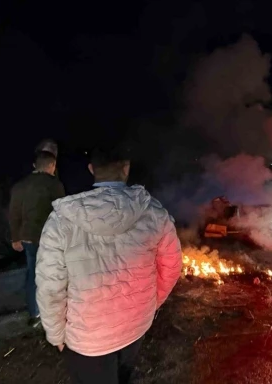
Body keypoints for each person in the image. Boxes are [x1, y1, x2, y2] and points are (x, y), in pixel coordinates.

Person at [35, 142, 182, 384]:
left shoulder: (62, 221)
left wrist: (55, 333)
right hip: (136, 326)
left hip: (89, 340)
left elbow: (51, 287)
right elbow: (172, 266)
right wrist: (153, 303)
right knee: (124, 376)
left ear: (92, 169)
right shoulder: (155, 213)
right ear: (126, 168)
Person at [9, 150, 65, 327]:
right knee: (56, 272)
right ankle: (56, 310)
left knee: (32, 274)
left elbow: (13, 214)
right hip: (50, 238)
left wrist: (15, 238)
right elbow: (62, 211)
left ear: (35, 166)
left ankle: (35, 314)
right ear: (52, 166)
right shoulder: (54, 184)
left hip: (27, 238)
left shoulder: (20, 186)